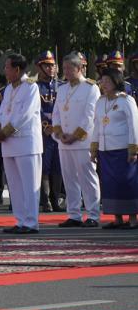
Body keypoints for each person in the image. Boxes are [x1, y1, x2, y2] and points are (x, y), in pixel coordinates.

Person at [0, 53, 42, 235]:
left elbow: (25, 115)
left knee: (29, 184)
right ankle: (20, 220)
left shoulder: (31, 87)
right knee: (14, 185)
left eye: (7, 67)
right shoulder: (8, 89)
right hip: (8, 143)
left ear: (17, 69)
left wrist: (4, 132)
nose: (5, 70)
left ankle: (31, 222)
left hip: (26, 143)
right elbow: (3, 112)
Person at [51, 52, 101, 228]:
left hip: (82, 142)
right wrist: (59, 133)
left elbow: (89, 116)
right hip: (64, 143)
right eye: (63, 68)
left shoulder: (91, 88)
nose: (65, 72)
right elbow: (56, 114)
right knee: (69, 179)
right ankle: (74, 214)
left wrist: (74, 136)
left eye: (69, 68)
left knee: (88, 178)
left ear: (79, 68)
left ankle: (93, 214)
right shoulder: (62, 89)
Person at [92, 66, 138, 229]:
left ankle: (133, 219)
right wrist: (94, 147)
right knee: (110, 185)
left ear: (116, 81)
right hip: (105, 150)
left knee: (127, 183)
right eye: (102, 81)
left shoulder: (126, 100)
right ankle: (117, 218)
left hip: (123, 149)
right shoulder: (100, 101)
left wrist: (133, 149)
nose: (104, 84)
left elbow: (134, 126)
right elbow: (97, 125)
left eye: (107, 81)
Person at [34, 50, 65, 213]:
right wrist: (45, 126)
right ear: (39, 67)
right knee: (45, 167)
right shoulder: (35, 87)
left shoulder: (62, 85)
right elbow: (36, 110)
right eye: (46, 65)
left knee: (58, 167)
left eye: (52, 65)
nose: (50, 68)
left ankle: (56, 199)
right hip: (44, 133)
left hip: (59, 132)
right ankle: (45, 200)